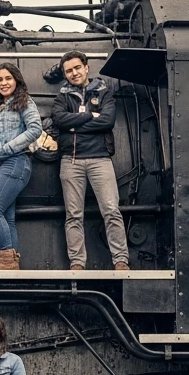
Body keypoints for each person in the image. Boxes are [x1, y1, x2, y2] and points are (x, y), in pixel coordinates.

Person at [51, 51, 128, 271]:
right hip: (71, 161)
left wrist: (74, 126)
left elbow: (107, 121)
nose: (73, 73)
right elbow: (59, 120)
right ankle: (77, 263)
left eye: (77, 68)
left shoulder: (104, 93)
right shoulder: (62, 97)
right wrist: (88, 116)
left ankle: (121, 260)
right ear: (65, 75)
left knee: (111, 210)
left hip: (100, 160)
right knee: (73, 215)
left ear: (86, 67)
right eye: (68, 71)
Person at [0, 63, 42, 270]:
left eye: (8, 78)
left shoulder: (24, 101)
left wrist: (9, 147)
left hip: (16, 161)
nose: (4, 83)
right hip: (3, 165)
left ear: (16, 80)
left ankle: (6, 261)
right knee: (7, 216)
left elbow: (36, 128)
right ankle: (12, 265)